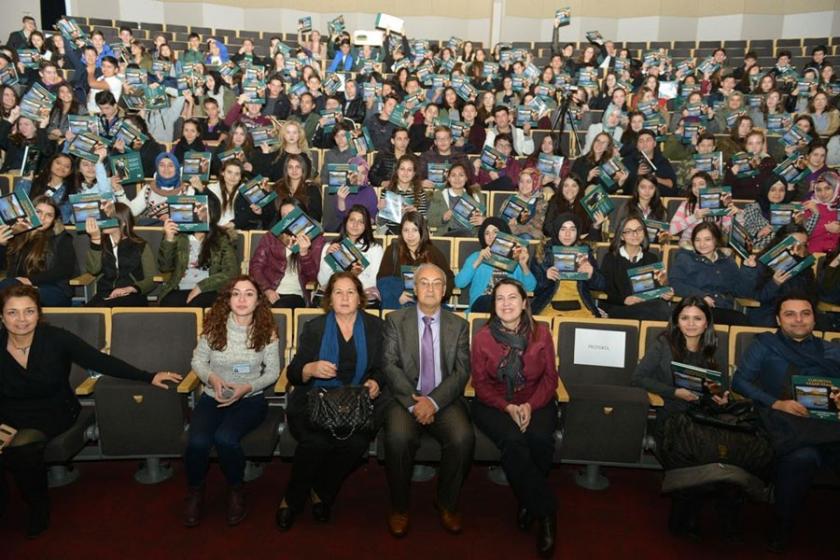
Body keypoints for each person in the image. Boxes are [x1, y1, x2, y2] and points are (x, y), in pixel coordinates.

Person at [0, 283, 181, 537]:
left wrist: (148, 376)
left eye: (29, 311)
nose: (21, 320)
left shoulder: (56, 339)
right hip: (9, 414)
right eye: (13, 312)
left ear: (39, 314)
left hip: (54, 410)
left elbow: (100, 361)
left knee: (22, 446)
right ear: (1, 316)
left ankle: (38, 508)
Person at [632, 297, 747, 541]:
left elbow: (720, 385)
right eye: (685, 318)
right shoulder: (663, 344)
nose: (691, 324)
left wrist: (721, 397)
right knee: (694, 454)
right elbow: (639, 378)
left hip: (705, 417)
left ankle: (713, 514)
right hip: (673, 417)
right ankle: (684, 515)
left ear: (707, 323)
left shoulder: (714, 347)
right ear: (676, 320)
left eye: (697, 318)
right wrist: (673, 391)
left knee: (725, 452)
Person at [276, 272, 385, 530]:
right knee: (315, 441)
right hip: (314, 400)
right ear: (329, 299)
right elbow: (294, 372)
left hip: (356, 403)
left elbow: (383, 368)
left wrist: (376, 382)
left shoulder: (375, 327)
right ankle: (291, 500)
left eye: (351, 292)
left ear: (360, 298)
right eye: (338, 292)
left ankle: (322, 491)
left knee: (355, 444)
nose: (345, 298)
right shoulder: (315, 328)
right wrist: (310, 368)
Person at [731, 293, 840, 552]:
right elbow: (739, 382)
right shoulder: (765, 345)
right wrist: (776, 403)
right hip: (783, 421)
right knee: (802, 459)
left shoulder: (832, 350)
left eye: (805, 313)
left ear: (814, 318)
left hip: (829, 423)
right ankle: (783, 524)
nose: (799, 320)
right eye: (790, 314)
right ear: (779, 319)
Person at [381, 263, 474, 537]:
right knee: (398, 438)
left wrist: (432, 402)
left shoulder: (459, 325)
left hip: (443, 399)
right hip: (405, 398)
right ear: (414, 287)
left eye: (436, 283)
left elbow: (461, 372)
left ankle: (446, 501)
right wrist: (415, 402)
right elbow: (389, 366)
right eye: (424, 282)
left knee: (463, 437)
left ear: (445, 291)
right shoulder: (395, 320)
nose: (430, 288)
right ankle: (399, 506)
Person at [470, 279, 559, 557]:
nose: (506, 304)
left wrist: (530, 405)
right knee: (513, 440)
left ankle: (527, 498)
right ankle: (544, 512)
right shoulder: (483, 337)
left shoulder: (541, 333)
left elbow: (550, 378)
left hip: (536, 398)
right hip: (494, 403)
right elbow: (481, 385)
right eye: (499, 299)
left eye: (512, 298)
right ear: (493, 305)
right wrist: (507, 407)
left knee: (540, 438)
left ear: (524, 303)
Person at [183, 276, 280, 527]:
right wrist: (212, 378)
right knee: (197, 441)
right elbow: (197, 362)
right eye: (236, 294)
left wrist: (246, 387)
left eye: (249, 294)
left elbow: (272, 373)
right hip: (214, 394)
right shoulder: (214, 326)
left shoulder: (266, 330)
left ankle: (236, 488)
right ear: (228, 299)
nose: (242, 299)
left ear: (259, 301)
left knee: (226, 438)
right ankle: (195, 489)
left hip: (250, 398)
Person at [157, 198, 239, 307]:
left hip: (209, 289)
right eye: (193, 210)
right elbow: (165, 268)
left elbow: (231, 272)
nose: (196, 213)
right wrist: (169, 240)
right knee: (169, 302)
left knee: (197, 303)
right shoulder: (177, 235)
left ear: (211, 214)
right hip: (179, 287)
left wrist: (201, 287)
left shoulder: (222, 238)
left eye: (201, 209)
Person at [669, 222, 753, 325]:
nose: (702, 244)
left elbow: (741, 291)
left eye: (707, 239)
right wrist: (701, 296)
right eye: (697, 240)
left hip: (722, 308)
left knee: (743, 322)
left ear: (716, 240)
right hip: (694, 308)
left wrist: (748, 269)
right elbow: (675, 283)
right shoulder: (685, 258)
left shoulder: (727, 262)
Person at [0, 197, 75, 307]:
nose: (42, 218)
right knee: (11, 288)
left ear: (54, 220)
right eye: (38, 212)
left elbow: (64, 269)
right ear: (29, 212)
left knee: (11, 288)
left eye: (49, 215)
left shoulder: (61, 238)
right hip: (17, 288)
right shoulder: (15, 236)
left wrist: (31, 281)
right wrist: (1, 245)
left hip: (53, 290)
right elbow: (3, 266)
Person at [250, 198, 325, 309]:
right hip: (268, 290)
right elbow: (256, 266)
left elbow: (313, 277)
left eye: (292, 214)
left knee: (280, 307)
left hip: (295, 294)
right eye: (284, 216)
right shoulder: (271, 237)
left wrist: (304, 254)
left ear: (303, 215)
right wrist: (267, 290)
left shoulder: (316, 239)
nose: (289, 219)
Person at [531, 213, 606, 318]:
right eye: (563, 229)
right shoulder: (543, 252)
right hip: (548, 304)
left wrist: (592, 274)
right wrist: (546, 278)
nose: (567, 234)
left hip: (581, 304)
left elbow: (602, 285)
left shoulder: (584, 251)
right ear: (557, 231)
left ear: (577, 232)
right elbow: (532, 287)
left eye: (572, 229)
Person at [600, 215, 673, 321]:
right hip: (619, 307)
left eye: (639, 230)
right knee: (661, 310)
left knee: (661, 307)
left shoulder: (651, 258)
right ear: (621, 236)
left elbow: (659, 288)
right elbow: (606, 289)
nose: (635, 234)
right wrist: (624, 300)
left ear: (644, 232)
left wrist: (666, 293)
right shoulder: (610, 258)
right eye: (629, 231)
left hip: (647, 307)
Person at [455, 217, 535, 312]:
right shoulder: (476, 257)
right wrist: (478, 260)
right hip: (481, 307)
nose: (491, 236)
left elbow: (530, 287)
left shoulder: (515, 258)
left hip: (507, 307)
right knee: (491, 301)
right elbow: (459, 283)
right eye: (487, 233)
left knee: (504, 303)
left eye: (495, 232)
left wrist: (523, 264)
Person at [83, 202, 156, 307]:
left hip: (131, 295)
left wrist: (131, 288)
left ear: (123, 222)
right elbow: (93, 270)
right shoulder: (99, 243)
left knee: (104, 307)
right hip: (105, 293)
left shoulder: (140, 245)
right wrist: (95, 240)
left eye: (108, 219)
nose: (103, 222)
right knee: (87, 312)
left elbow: (151, 279)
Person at [376, 212, 455, 309]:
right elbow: (382, 280)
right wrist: (397, 294)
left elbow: (449, 279)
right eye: (406, 230)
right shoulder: (393, 250)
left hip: (428, 304)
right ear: (401, 232)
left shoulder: (433, 252)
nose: (410, 235)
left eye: (414, 230)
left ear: (422, 231)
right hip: (400, 304)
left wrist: (435, 295)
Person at [318, 205, 384, 304]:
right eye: (352, 220)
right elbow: (322, 280)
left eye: (361, 222)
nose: (355, 224)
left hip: (363, 289)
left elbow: (373, 280)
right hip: (336, 289)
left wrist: (352, 282)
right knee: (319, 299)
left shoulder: (375, 249)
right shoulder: (330, 246)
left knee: (370, 301)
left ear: (366, 226)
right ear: (345, 223)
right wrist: (327, 258)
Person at [426, 162, 484, 237]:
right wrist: (443, 218)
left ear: (466, 178)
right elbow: (430, 220)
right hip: (446, 237)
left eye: (461, 175)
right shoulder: (438, 196)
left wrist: (483, 220)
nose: (457, 179)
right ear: (448, 178)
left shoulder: (477, 196)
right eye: (453, 175)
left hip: (470, 238)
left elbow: (486, 221)